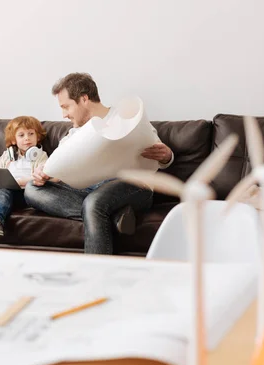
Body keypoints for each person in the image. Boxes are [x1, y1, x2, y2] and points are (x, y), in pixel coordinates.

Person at [24, 73, 174, 255]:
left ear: (84, 99)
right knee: (32, 188)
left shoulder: (124, 117)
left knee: (94, 203)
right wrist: (43, 173)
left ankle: (95, 272)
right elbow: (60, 168)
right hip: (89, 189)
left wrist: (166, 155)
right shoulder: (74, 135)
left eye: (66, 107)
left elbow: (157, 152)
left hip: (132, 185)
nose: (64, 115)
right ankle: (113, 217)